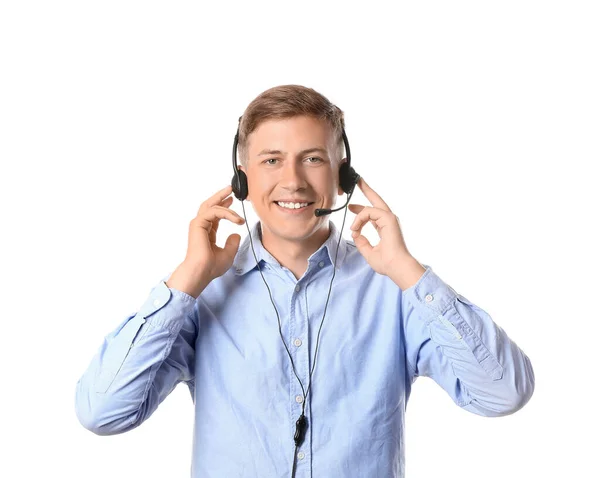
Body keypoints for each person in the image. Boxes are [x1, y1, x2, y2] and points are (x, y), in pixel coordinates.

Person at [74, 84, 535, 478]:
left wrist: (408, 271)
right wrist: (186, 280)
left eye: (312, 158)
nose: (292, 180)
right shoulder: (202, 296)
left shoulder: (393, 291)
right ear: (242, 178)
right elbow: (103, 413)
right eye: (271, 160)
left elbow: (502, 394)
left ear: (343, 176)